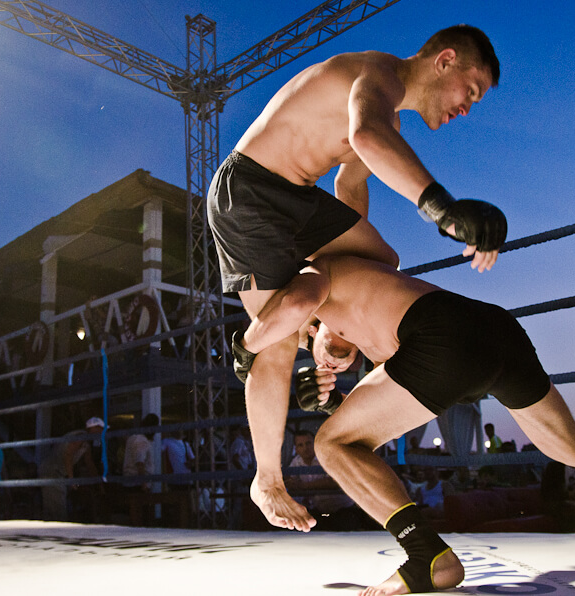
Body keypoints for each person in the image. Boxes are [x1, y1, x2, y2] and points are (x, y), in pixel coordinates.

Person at [238, 254, 575, 594]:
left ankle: (427, 555)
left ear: (312, 329)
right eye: (336, 363)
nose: (335, 359)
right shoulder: (378, 337)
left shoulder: (321, 284)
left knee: (331, 444)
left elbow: (299, 295)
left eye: (329, 351)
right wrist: (334, 405)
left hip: (445, 335)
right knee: (574, 446)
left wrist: (248, 346)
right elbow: (384, 424)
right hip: (492, 330)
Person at [211, 24, 507, 533]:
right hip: (251, 192)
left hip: (298, 198)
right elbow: (368, 138)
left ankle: (320, 336)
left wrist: (340, 313)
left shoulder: (390, 112)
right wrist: (442, 209)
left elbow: (350, 184)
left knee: (381, 259)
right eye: (471, 91)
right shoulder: (379, 75)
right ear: (445, 61)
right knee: (275, 342)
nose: (466, 108)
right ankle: (267, 479)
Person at [286, 429, 362, 530]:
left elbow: (333, 482)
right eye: (300, 445)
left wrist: (302, 486)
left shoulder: (327, 457)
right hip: (319, 511)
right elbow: (290, 482)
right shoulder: (296, 462)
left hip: (344, 510)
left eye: (308, 443)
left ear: (315, 444)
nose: (305, 448)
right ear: (296, 449)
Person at [39, 416, 104, 521]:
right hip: (52, 472)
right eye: (100, 429)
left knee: (54, 506)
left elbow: (89, 463)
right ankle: (58, 529)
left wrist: (99, 483)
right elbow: (68, 455)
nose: (102, 433)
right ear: (93, 428)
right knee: (57, 508)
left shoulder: (86, 444)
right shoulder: (80, 436)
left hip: (57, 473)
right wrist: (71, 479)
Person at [123, 413, 159, 492]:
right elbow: (140, 463)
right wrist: (144, 485)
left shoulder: (133, 438)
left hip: (132, 483)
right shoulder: (141, 441)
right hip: (137, 485)